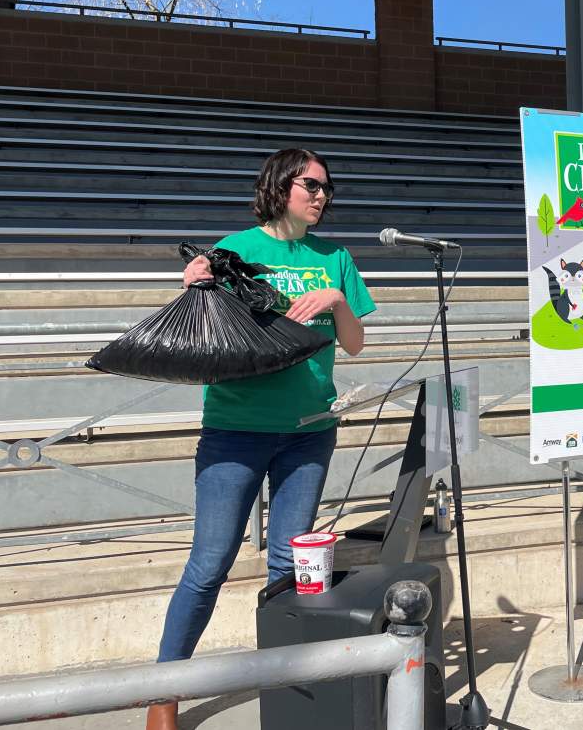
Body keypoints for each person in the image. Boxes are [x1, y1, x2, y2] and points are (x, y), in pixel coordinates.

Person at [146, 149, 375, 730]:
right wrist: (192, 283)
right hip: (236, 428)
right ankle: (163, 692)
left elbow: (354, 345)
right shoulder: (238, 247)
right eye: (311, 185)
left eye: (327, 187)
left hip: (309, 433)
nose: (321, 195)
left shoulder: (336, 257)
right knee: (210, 562)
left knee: (288, 567)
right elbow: (200, 322)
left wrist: (338, 300)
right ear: (280, 186)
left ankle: (284, 691)